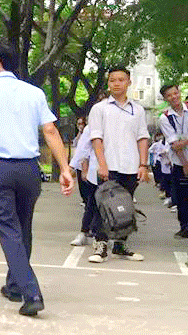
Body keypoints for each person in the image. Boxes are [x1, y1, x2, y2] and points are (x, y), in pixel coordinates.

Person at [0, 41, 74, 317]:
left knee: (8, 230)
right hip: (29, 169)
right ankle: (14, 286)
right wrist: (65, 169)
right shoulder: (34, 93)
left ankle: (31, 292)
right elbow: (50, 130)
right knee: (23, 227)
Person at [87, 66, 149, 263]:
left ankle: (121, 245)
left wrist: (143, 165)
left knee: (126, 207)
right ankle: (100, 245)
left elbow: (142, 138)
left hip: (131, 166)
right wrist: (102, 164)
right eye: (112, 80)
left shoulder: (137, 110)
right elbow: (96, 138)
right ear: (108, 83)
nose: (116, 84)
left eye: (121, 80)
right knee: (104, 206)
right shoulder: (100, 109)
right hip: (108, 165)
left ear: (129, 82)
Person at [159, 83, 188, 238]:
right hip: (180, 163)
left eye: (175, 93)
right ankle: (185, 227)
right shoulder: (165, 118)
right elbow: (175, 145)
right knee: (182, 196)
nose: (173, 97)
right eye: (169, 95)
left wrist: (183, 142)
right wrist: (185, 164)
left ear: (179, 92)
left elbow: (179, 143)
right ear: (165, 99)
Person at [68, 116, 95, 246]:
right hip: (92, 169)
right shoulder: (90, 129)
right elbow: (82, 150)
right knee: (90, 201)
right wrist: (74, 168)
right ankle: (85, 232)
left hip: (113, 169)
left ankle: (114, 237)